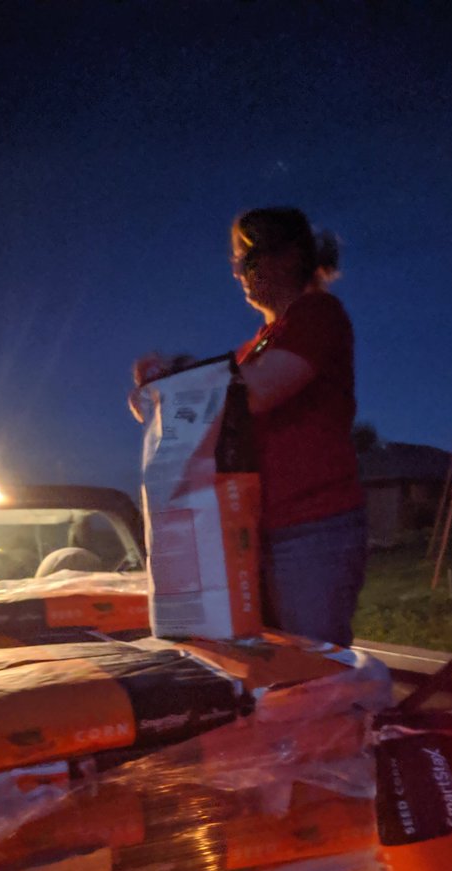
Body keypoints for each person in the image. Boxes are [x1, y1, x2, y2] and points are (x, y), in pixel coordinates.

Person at [130, 206, 366, 646]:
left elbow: (249, 395)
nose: (236, 271)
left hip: (311, 528)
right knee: (269, 664)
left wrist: (173, 388)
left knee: (313, 664)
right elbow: (210, 401)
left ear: (288, 257)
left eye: (245, 257)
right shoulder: (258, 343)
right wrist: (159, 391)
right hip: (252, 530)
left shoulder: (318, 316)